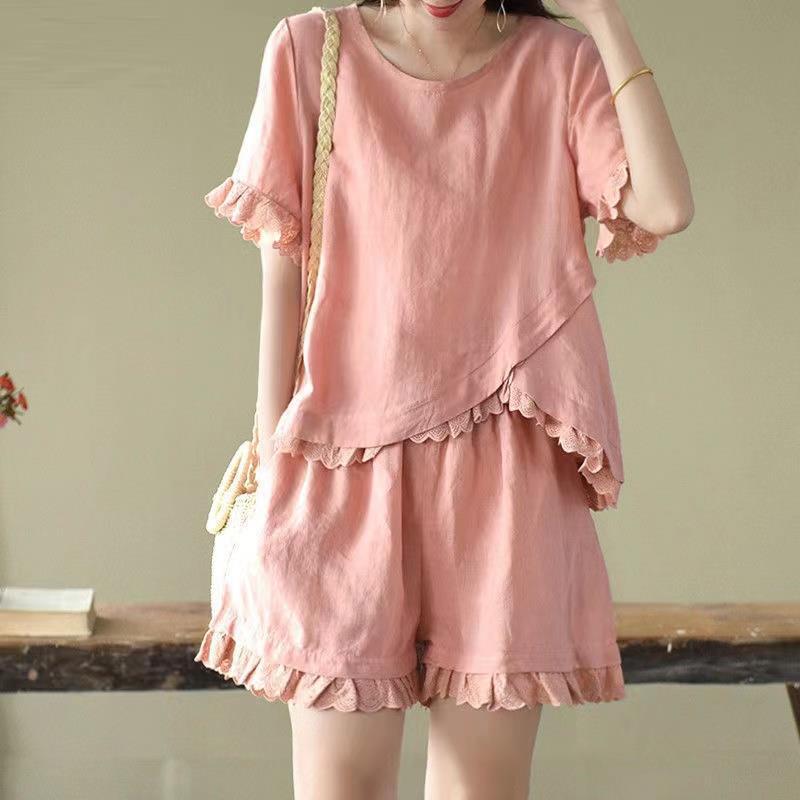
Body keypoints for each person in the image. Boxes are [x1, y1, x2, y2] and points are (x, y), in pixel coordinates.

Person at [195, 0, 693, 797]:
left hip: (506, 475)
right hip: (341, 467)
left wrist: (603, 17)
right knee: (340, 789)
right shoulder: (308, 49)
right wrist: (273, 454)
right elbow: (281, 273)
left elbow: (665, 206)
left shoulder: (556, 65)